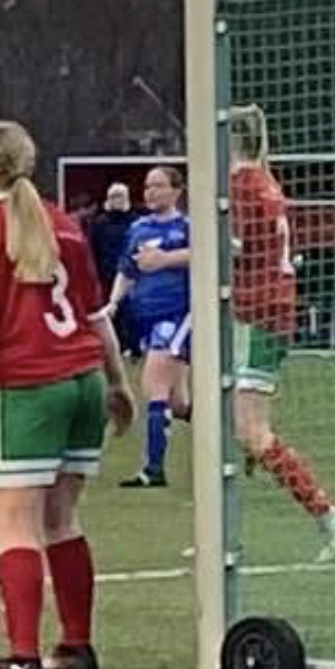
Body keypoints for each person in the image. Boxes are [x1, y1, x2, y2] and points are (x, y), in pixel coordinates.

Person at [0, 122, 134, 669]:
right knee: (61, 520)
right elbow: (95, 314)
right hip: (83, 382)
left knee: (16, 526)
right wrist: (118, 384)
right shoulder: (63, 224)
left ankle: (21, 657)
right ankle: (75, 644)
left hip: (30, 386)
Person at [228, 106, 335, 562]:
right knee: (224, 421)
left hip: (257, 312)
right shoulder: (264, 179)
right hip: (266, 308)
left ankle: (327, 513)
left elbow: (231, 248)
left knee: (251, 431)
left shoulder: (243, 184)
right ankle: (223, 531)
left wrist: (170, 256)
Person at [103, 166, 191, 489]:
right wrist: (114, 302)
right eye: (147, 186)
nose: (151, 192)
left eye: (159, 185)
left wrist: (166, 259)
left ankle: (153, 469)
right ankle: (234, 434)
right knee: (178, 403)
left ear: (176, 191)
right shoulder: (138, 229)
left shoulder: (187, 227)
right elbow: (127, 270)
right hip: (146, 318)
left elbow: (207, 255)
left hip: (177, 315)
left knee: (154, 387)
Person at [87, 182, 136, 291]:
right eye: (114, 196)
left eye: (120, 196)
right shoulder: (99, 222)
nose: (117, 200)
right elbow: (92, 249)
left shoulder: (135, 222)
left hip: (130, 275)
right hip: (106, 275)